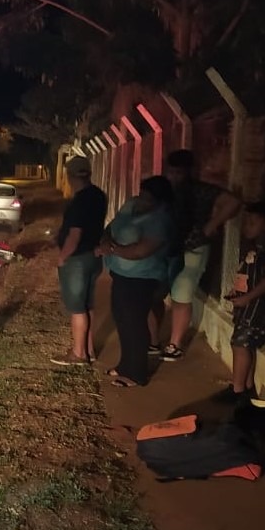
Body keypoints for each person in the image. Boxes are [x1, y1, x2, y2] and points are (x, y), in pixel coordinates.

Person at [155, 149, 242, 362]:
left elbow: (233, 202)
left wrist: (213, 223)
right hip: (167, 248)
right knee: (158, 293)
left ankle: (175, 344)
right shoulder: (165, 189)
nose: (174, 177)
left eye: (179, 173)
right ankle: (154, 339)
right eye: (171, 172)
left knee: (182, 294)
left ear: (189, 171)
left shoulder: (200, 190)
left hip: (193, 247)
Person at [97, 176, 174, 388]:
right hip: (121, 272)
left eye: (148, 198)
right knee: (122, 320)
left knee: (135, 323)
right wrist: (107, 241)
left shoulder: (160, 219)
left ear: (160, 201)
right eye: (141, 195)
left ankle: (136, 373)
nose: (142, 201)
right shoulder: (131, 205)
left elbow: (142, 250)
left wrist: (112, 249)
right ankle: (125, 365)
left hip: (143, 276)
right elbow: (112, 227)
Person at [52, 155, 108, 366]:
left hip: (77, 260)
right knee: (87, 304)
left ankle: (78, 354)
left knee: (76, 308)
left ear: (69, 176)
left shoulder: (79, 201)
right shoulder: (99, 196)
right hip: (93, 256)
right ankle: (89, 349)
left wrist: (62, 257)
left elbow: (75, 235)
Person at [224, 201, 265, 402]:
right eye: (246, 222)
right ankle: (245, 388)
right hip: (246, 306)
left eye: (253, 223)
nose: (247, 227)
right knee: (244, 344)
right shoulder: (254, 247)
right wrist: (237, 292)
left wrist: (247, 297)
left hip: (257, 308)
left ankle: (237, 391)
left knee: (240, 344)